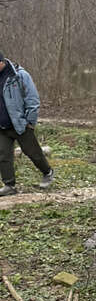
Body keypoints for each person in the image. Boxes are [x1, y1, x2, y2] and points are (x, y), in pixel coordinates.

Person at [0, 52, 54, 196]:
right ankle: (9, 185)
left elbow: (33, 99)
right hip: (2, 126)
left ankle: (47, 172)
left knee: (33, 152)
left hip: (20, 124)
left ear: (1, 62)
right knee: (3, 155)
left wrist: (30, 122)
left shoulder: (19, 75)